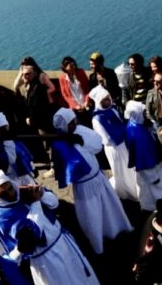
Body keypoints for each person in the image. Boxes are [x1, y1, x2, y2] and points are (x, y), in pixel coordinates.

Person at [51, 108, 133, 254]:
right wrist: (73, 146)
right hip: (85, 185)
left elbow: (96, 145)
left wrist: (81, 142)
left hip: (98, 178)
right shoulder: (59, 144)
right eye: (70, 123)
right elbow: (71, 166)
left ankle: (117, 228)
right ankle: (98, 243)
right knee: (92, 214)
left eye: (73, 121)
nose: (74, 124)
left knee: (109, 206)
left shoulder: (80, 130)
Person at [9, 199, 99, 285]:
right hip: (46, 259)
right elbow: (34, 232)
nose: (11, 192)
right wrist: (35, 202)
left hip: (62, 243)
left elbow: (53, 202)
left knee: (78, 275)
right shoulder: (5, 214)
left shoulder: (26, 192)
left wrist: (41, 194)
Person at [124, 101, 162, 211]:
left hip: (152, 164)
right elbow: (143, 156)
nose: (146, 113)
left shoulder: (137, 123)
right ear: (137, 114)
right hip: (150, 169)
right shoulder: (136, 134)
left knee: (146, 189)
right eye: (143, 112)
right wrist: (152, 176)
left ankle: (148, 207)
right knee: (160, 188)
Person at [90, 86, 139, 202]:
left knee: (130, 167)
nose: (108, 101)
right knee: (120, 169)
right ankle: (125, 191)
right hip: (114, 148)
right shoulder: (97, 119)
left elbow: (122, 121)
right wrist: (121, 135)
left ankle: (134, 186)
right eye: (105, 99)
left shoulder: (113, 109)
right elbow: (106, 140)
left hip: (123, 144)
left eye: (108, 98)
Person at [58, 56, 92, 126]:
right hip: (75, 108)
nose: (73, 67)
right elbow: (65, 95)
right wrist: (75, 106)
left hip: (86, 104)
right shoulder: (62, 78)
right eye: (70, 66)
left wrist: (86, 101)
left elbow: (87, 89)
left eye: (74, 65)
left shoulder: (81, 72)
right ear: (65, 68)